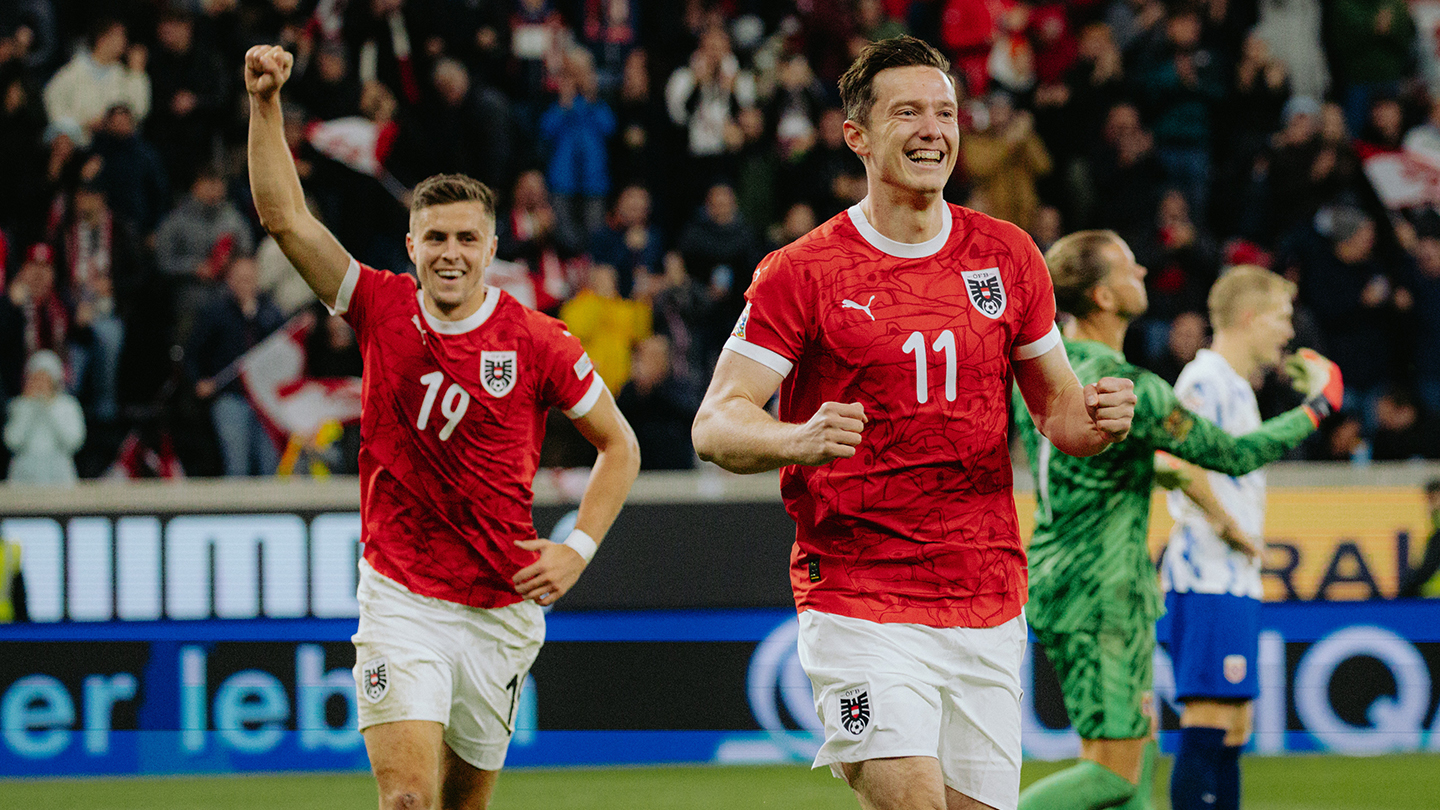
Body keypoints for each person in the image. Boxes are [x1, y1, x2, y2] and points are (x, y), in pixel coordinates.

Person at [692, 37, 1138, 810]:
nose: (934, 128)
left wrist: (1099, 419)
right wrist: (793, 439)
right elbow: (717, 423)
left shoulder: (1008, 255)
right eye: (908, 112)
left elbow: (1059, 410)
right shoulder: (804, 270)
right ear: (857, 136)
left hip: (987, 595)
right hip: (858, 596)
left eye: (945, 111)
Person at [244, 44, 639, 810]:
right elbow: (285, 219)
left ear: (492, 248)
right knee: (407, 802)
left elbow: (620, 446)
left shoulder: (538, 340)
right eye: (435, 239)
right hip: (401, 597)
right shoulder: (377, 306)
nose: (449, 254)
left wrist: (577, 549)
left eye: (465, 240)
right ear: (411, 244)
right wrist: (265, 104)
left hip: (501, 608)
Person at [1011, 234, 1343, 810]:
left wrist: (1156, 473)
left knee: (1137, 767)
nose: (1143, 267)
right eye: (1127, 265)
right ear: (1103, 295)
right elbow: (1234, 454)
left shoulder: (1035, 372)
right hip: (1103, 587)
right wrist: (1316, 409)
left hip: (1066, 571)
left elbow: (1092, 462)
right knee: (1113, 775)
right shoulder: (1131, 389)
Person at [1159, 265, 1317, 810]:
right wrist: (1229, 527)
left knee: (1235, 725)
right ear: (1249, 318)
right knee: (1209, 720)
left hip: (1231, 579)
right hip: (1207, 574)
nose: (1288, 332)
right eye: (1281, 317)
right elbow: (1173, 456)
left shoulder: (1236, 389)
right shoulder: (1204, 380)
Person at [4, 349, 85, 485]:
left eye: (45, 378)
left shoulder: (68, 405)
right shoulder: (19, 405)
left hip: (58, 473)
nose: (40, 383)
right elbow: (12, 441)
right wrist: (30, 408)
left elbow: (73, 441)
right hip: (24, 473)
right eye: (36, 378)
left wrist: (48, 407)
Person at [1398, 479, 1440, 598]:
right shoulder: (1434, 533)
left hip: (1433, 600)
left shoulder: (1437, 536)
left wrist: (1409, 588)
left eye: (1433, 499)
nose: (1430, 505)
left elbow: (1427, 570)